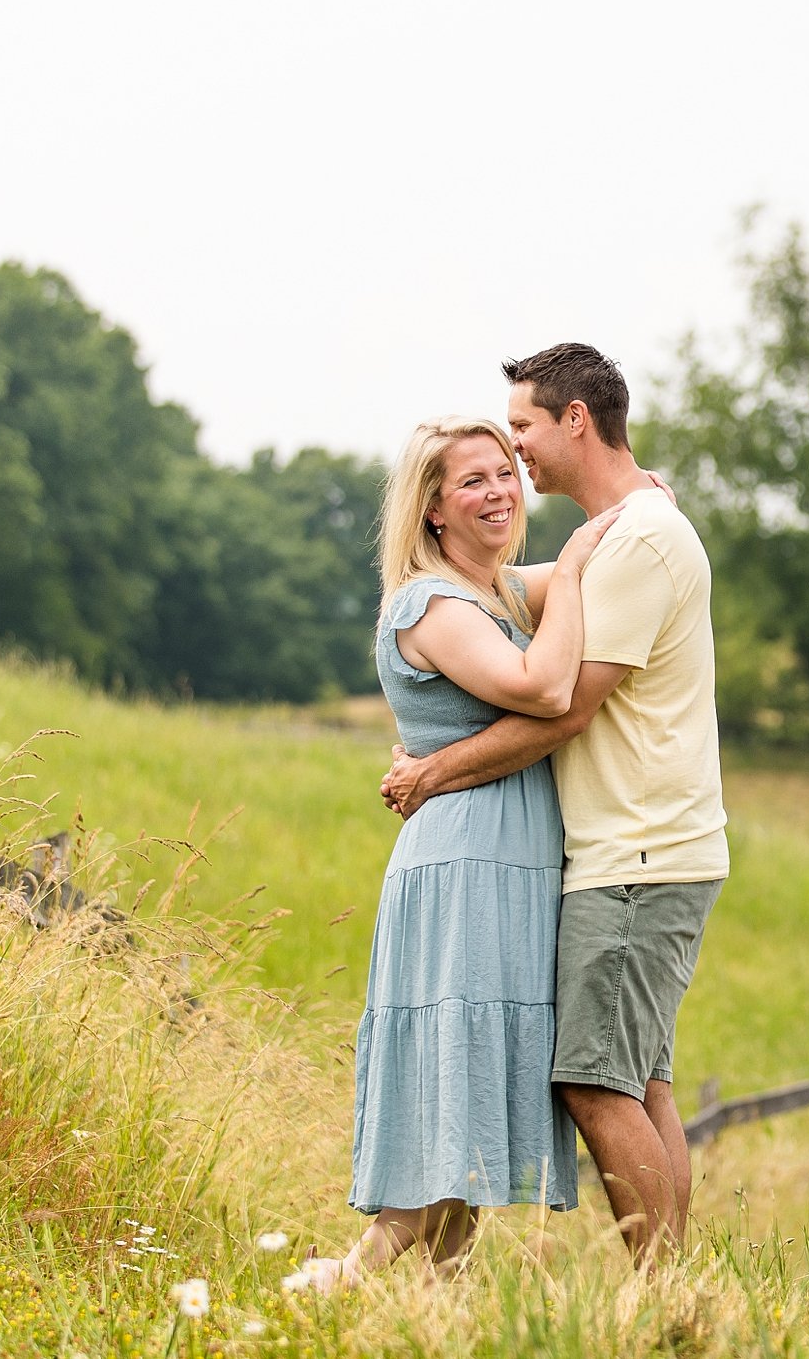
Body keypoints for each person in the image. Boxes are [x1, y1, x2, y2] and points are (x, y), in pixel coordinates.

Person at [381, 342, 726, 1269]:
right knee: (639, 1079)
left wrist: (434, 770)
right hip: (642, 849)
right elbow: (494, 597)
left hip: (638, 853)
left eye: (523, 430)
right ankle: (674, 1296)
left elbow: (563, 705)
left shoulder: (639, 538)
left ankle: (661, 1295)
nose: (518, 457)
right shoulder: (632, 528)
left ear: (576, 419)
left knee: (594, 1081)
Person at [318, 417, 631, 1286]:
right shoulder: (434, 604)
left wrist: (641, 507)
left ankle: (437, 1310)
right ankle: (337, 1286)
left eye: (505, 472)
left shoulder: (492, 594)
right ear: (431, 511)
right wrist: (569, 567)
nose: (499, 492)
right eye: (472, 482)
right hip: (467, 863)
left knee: (472, 1104)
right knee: (451, 1097)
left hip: (510, 860)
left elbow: (606, 568)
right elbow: (543, 686)